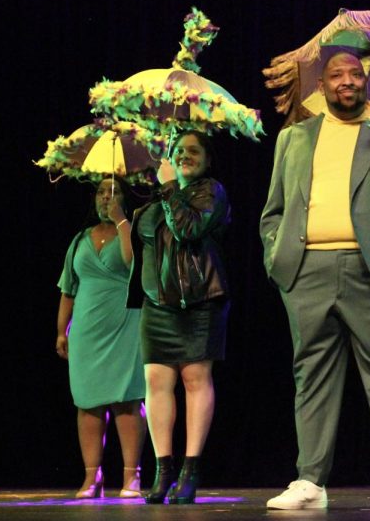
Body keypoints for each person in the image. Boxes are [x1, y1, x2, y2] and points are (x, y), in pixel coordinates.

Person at [260, 49, 370, 510]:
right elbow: (274, 211)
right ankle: (310, 480)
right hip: (308, 271)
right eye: (336, 75)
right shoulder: (295, 137)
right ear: (322, 87)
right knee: (312, 376)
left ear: (366, 81)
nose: (347, 81)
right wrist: (277, 259)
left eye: (355, 74)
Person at [128, 130, 232, 505]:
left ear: (206, 159)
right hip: (158, 303)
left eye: (194, 151)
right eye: (179, 151)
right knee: (155, 380)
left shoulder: (211, 192)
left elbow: (187, 229)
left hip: (199, 300)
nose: (186, 156)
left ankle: (190, 469)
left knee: (194, 378)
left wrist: (170, 188)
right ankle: (163, 469)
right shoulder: (161, 195)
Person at [55, 176, 146, 499]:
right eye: (101, 192)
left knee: (127, 399)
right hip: (87, 329)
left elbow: (130, 261)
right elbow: (68, 288)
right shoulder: (80, 239)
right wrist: (61, 330)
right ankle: (92, 477)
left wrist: (122, 219)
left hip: (125, 323)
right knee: (87, 402)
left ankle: (131, 477)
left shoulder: (133, 230)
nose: (106, 197)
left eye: (115, 191)